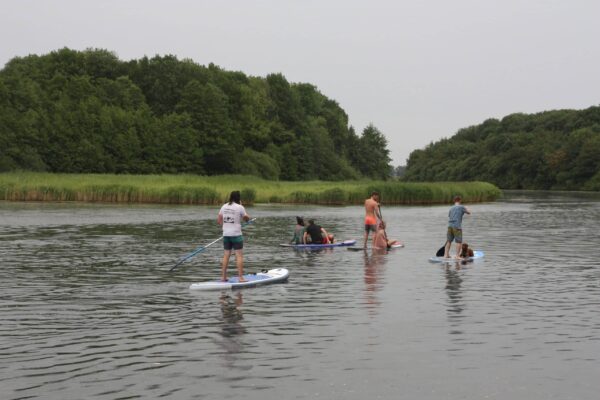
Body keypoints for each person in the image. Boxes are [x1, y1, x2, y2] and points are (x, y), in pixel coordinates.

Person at [218, 190, 250, 282]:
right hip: (236, 235)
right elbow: (246, 219)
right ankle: (240, 278)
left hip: (226, 234)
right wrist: (245, 216)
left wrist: (226, 227)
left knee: (226, 255)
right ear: (238, 198)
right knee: (239, 256)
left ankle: (223, 277)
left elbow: (219, 221)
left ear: (231, 197)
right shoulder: (240, 207)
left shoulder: (224, 206)